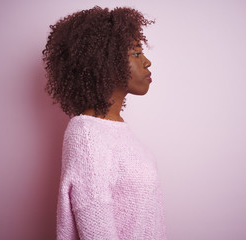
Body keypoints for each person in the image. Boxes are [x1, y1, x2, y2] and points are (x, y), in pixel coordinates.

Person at [42, 6, 167, 240]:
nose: (147, 62)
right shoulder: (87, 135)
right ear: (106, 61)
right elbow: (97, 229)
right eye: (136, 53)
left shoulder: (114, 130)